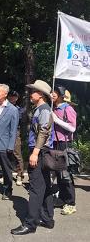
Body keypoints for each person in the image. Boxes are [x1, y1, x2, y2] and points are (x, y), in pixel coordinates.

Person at [11, 80, 54, 235]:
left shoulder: (44, 110)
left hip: (40, 152)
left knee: (35, 189)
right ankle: (48, 219)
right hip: (40, 151)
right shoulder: (40, 109)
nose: (30, 94)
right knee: (45, 186)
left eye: (33, 91)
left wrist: (35, 152)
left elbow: (44, 132)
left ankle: (30, 224)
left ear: (41, 94)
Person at [52, 86, 77, 215]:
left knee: (66, 175)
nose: (52, 94)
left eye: (55, 92)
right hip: (55, 143)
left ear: (61, 96)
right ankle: (62, 199)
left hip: (64, 144)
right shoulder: (53, 108)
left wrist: (56, 120)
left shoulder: (68, 109)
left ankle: (71, 203)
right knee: (59, 174)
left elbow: (72, 128)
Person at [8, 90, 25, 186]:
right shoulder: (4, 107)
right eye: (10, 96)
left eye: (14, 96)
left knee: (17, 153)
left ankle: (20, 175)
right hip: (5, 133)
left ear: (17, 98)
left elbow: (19, 121)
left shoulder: (19, 109)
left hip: (15, 132)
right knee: (5, 154)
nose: (12, 98)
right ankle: (7, 174)